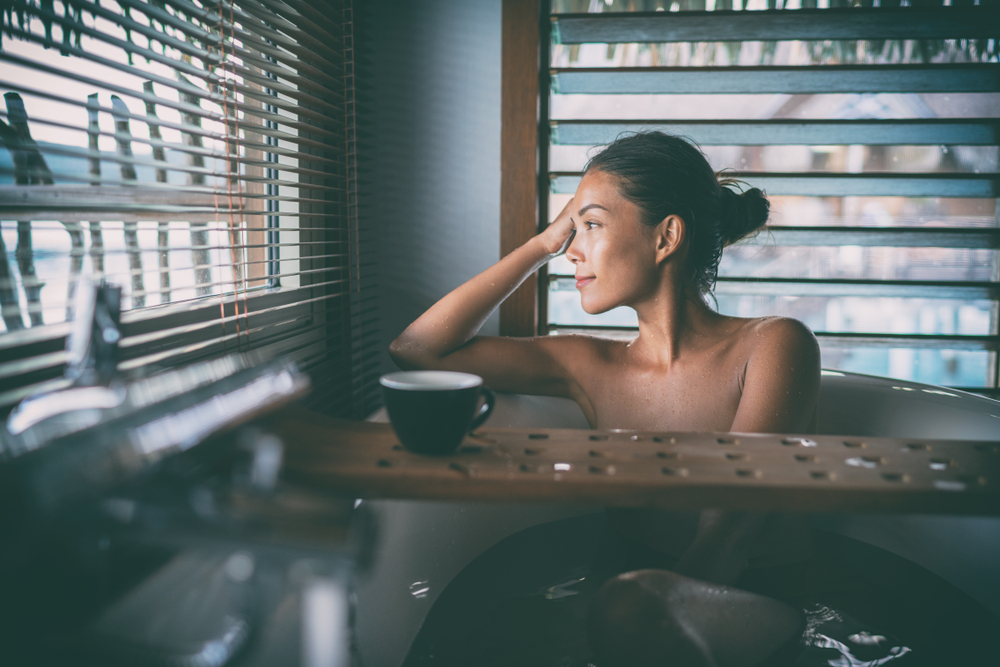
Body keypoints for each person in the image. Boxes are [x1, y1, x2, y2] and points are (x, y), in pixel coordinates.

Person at [390, 132, 821, 666]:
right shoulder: (590, 367)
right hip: (629, 602)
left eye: (590, 225)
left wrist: (619, 632)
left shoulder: (774, 344)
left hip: (757, 607)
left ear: (665, 238)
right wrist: (541, 243)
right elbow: (416, 350)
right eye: (573, 230)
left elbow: (729, 533)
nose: (572, 249)